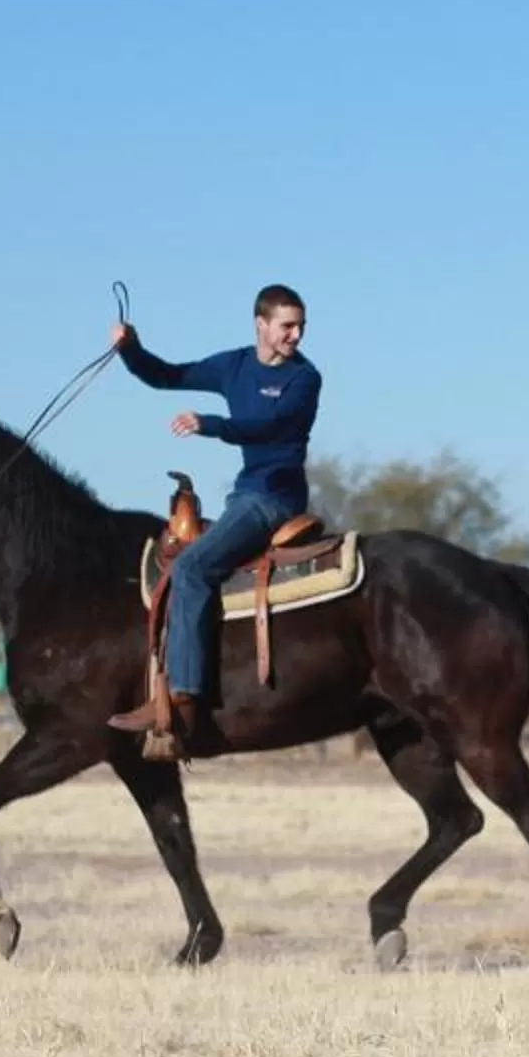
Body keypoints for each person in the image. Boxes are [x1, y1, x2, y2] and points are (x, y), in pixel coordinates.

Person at [105, 285, 321, 734]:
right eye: (287, 325)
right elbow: (167, 375)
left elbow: (272, 427)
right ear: (261, 324)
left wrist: (211, 425)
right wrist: (131, 349)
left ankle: (182, 699)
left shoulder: (304, 378)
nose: (296, 335)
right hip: (244, 496)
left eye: (300, 326)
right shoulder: (234, 366)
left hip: (275, 500)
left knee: (191, 570)